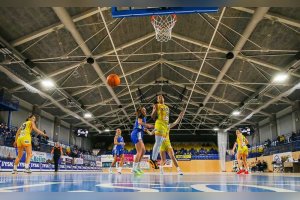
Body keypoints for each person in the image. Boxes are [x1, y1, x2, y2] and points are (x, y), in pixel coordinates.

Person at [149, 95, 170, 169]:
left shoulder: (167, 107)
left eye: (161, 97)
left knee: (159, 144)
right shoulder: (157, 105)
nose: (160, 98)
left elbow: (166, 118)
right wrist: (155, 109)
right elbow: (152, 116)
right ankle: (153, 159)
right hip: (159, 125)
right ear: (157, 100)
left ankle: (154, 160)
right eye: (158, 98)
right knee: (158, 143)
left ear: (164, 98)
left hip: (165, 127)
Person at [131, 107, 153, 175]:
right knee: (139, 151)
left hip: (139, 134)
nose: (145, 110)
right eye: (143, 109)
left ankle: (137, 167)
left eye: (145, 109)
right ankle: (134, 169)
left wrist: (145, 129)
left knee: (143, 151)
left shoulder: (144, 118)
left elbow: (141, 126)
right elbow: (139, 122)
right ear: (141, 111)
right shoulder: (140, 115)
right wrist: (147, 125)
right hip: (136, 133)